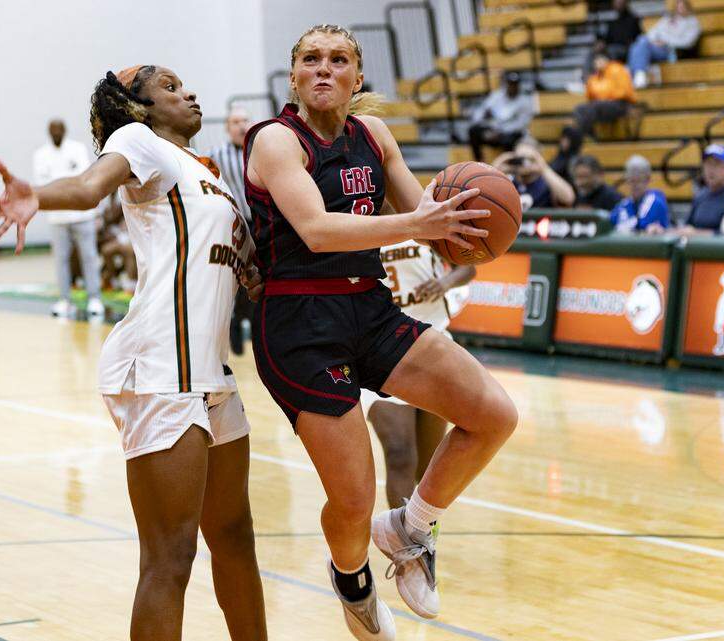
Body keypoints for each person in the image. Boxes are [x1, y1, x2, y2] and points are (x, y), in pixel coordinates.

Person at [0, 65, 267, 641]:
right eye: (171, 87)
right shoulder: (139, 143)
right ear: (141, 109)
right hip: (159, 364)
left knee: (235, 537)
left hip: (210, 373)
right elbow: (87, 188)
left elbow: (243, 272)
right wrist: (39, 196)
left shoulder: (210, 177)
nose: (190, 92)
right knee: (170, 556)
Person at [244, 24, 518, 639]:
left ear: (356, 78)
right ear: (293, 76)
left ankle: (411, 529)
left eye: (338, 60)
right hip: (299, 325)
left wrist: (470, 225)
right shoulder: (275, 141)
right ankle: (354, 583)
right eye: (310, 58)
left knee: (493, 414)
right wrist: (419, 224)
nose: (323, 69)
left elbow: (431, 224)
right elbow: (316, 230)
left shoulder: (374, 134)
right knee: (353, 497)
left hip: (369, 307)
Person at [363, 240, 475, 509]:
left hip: (432, 345)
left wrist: (445, 283)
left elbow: (467, 268)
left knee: (430, 471)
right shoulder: (359, 215)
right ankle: (405, 548)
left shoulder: (422, 212)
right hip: (381, 350)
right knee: (399, 452)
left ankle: (424, 540)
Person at [33, 118, 104, 319]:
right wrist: (66, 184)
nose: (56, 133)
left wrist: (59, 184)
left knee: (89, 257)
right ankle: (65, 300)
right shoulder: (41, 155)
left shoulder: (78, 149)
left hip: (83, 214)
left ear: (64, 131)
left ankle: (94, 298)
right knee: (61, 259)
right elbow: (42, 184)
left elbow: (83, 180)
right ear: (49, 132)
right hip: (57, 217)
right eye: (52, 130)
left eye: (59, 130)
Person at [207, 106, 255, 355]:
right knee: (237, 275)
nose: (241, 125)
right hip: (234, 223)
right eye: (236, 122)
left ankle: (247, 321)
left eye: (245, 120)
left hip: (259, 221)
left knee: (260, 274)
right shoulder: (216, 155)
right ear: (227, 128)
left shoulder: (259, 151)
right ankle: (236, 320)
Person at [628, 0, 701, 88]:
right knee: (640, 42)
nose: (680, 9)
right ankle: (639, 74)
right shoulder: (667, 19)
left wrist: (666, 41)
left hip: (671, 50)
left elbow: (688, 42)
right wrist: (655, 41)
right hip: (656, 46)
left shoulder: (693, 23)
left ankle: (637, 74)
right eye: (678, 6)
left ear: (688, 8)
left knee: (640, 44)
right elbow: (651, 33)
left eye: (682, 7)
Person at [466, 71, 536, 162]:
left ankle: (511, 167)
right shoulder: (496, 96)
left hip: (510, 134)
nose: (512, 87)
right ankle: (479, 161)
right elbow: (480, 112)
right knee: (473, 130)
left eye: (514, 84)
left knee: (509, 140)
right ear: (506, 84)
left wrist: (500, 132)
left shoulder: (525, 101)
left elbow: (520, 125)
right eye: (510, 84)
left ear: (518, 85)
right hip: (493, 132)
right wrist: (484, 118)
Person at [573, 53, 636, 144]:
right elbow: (590, 96)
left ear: (606, 60)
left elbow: (624, 92)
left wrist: (605, 97)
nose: (597, 63)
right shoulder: (595, 77)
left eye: (600, 60)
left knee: (595, 106)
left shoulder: (617, 69)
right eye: (596, 61)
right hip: (601, 105)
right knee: (579, 109)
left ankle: (581, 137)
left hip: (620, 104)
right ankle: (589, 136)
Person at [495, 142, 575, 210]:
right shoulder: (508, 181)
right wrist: (503, 160)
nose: (523, 163)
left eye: (529, 159)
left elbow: (568, 198)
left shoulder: (547, 182)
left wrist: (543, 168)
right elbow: (485, 190)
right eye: (520, 159)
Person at [681, 144, 724, 234]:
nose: (710, 170)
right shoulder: (700, 196)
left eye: (716, 164)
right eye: (707, 164)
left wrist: (696, 233)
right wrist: (663, 231)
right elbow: (687, 227)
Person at [609, 154, 670, 233]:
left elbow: (640, 226)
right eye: (631, 181)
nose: (635, 186)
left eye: (639, 180)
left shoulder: (656, 201)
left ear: (648, 179)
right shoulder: (624, 204)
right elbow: (609, 221)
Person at [598, 0, 642, 66]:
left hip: (627, 49)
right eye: (616, 2)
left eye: (619, 2)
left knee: (612, 51)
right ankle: (588, 75)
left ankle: (615, 74)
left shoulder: (633, 19)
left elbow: (638, 37)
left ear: (626, 3)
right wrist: (602, 43)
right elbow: (607, 39)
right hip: (612, 48)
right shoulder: (613, 22)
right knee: (593, 52)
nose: (617, 4)